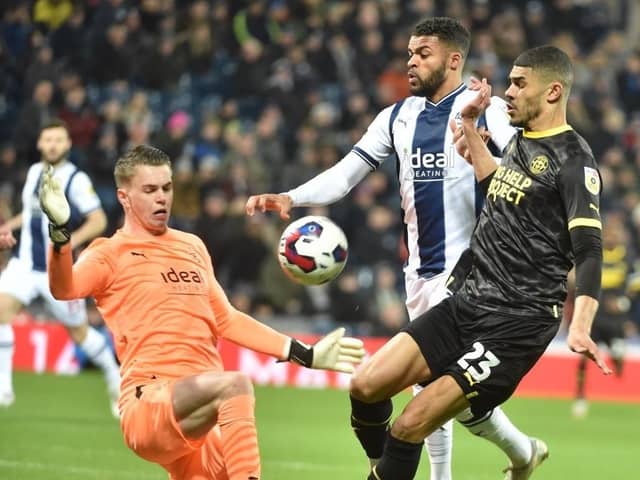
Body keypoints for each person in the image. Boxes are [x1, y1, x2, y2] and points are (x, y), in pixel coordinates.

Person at [246, 17, 535, 480]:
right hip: (419, 272)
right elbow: (346, 174)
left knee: (433, 385)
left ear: (454, 59)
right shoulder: (397, 117)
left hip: (475, 271)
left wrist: (483, 147)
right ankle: (523, 453)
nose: (411, 62)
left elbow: (524, 174)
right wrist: (291, 197)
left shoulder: (490, 110)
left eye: (423, 53)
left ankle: (451, 474)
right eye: (409, 54)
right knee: (439, 390)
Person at [346, 45, 612, 480]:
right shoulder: (524, 141)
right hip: (468, 300)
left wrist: (580, 324)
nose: (507, 92)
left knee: (411, 423)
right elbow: (499, 188)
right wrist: (468, 125)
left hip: (516, 323)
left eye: (519, 84)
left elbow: (590, 249)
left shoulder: (574, 161)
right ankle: (385, 469)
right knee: (365, 385)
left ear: (553, 92)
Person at [40, 144, 366, 480]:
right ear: (124, 198)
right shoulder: (109, 253)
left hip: (199, 421)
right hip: (149, 404)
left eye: (166, 188)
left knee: (226, 461)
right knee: (235, 385)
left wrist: (305, 354)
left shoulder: (191, 246)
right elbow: (64, 289)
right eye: (149, 190)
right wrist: (60, 235)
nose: (161, 198)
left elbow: (226, 318)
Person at [0, 119, 120, 416]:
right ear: (40, 144)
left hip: (57, 270)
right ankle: (3, 388)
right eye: (48, 140)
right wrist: (6, 228)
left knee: (79, 334)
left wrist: (66, 243)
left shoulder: (75, 179)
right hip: (24, 266)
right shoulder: (33, 173)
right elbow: (29, 215)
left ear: (68, 145)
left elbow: (99, 220)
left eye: (58, 140)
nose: (52, 145)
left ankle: (113, 377)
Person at [572, 214, 630, 419]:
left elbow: (633, 281)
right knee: (583, 360)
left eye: (615, 233)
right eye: (608, 233)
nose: (611, 237)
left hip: (615, 321)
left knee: (617, 352)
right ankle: (579, 398)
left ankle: (618, 361)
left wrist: (623, 301)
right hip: (594, 318)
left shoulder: (626, 257)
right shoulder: (595, 256)